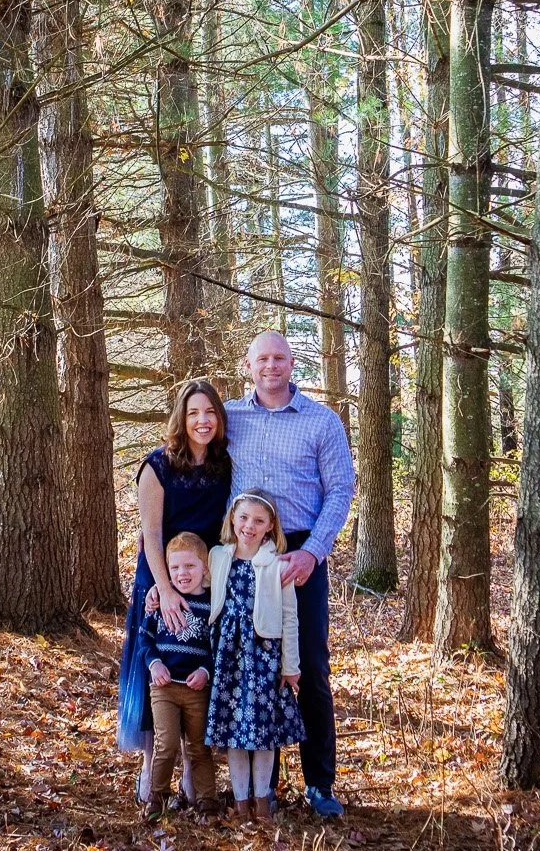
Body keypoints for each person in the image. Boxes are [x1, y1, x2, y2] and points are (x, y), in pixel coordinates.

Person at [225, 330, 354, 818]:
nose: (271, 366)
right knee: (258, 671)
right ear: (249, 365)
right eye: (262, 358)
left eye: (279, 358)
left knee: (310, 671)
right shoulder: (231, 418)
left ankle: (320, 784)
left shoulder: (322, 421)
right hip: (246, 553)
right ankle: (265, 786)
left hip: (300, 554)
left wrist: (313, 554)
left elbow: (341, 489)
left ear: (293, 362)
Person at [116, 378, 230, 802]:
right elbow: (151, 532)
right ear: (181, 419)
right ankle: (151, 770)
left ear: (219, 419)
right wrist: (164, 591)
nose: (203, 421)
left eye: (211, 413)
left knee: (196, 665)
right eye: (194, 413)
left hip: (202, 580)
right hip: (160, 578)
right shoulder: (157, 466)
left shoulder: (223, 468)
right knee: (161, 667)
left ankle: (192, 773)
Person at [202, 491, 304, 823]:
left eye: (259, 521)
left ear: (270, 526)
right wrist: (160, 590)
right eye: (244, 517)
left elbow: (289, 617)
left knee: (262, 735)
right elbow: (194, 585)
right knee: (234, 733)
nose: (249, 526)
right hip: (228, 658)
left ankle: (263, 802)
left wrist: (290, 666)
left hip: (263, 658)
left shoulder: (277, 564)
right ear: (233, 517)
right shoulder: (218, 556)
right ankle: (241, 803)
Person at [140, 532, 217, 819]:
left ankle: (207, 800)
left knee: (199, 746)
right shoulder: (159, 599)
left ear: (204, 568)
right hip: (165, 687)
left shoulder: (211, 604)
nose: (182, 574)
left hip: (197, 688)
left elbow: (216, 647)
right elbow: (144, 639)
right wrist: (154, 664)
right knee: (167, 743)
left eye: (190, 566)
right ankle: (156, 797)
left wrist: (206, 671)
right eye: (175, 568)